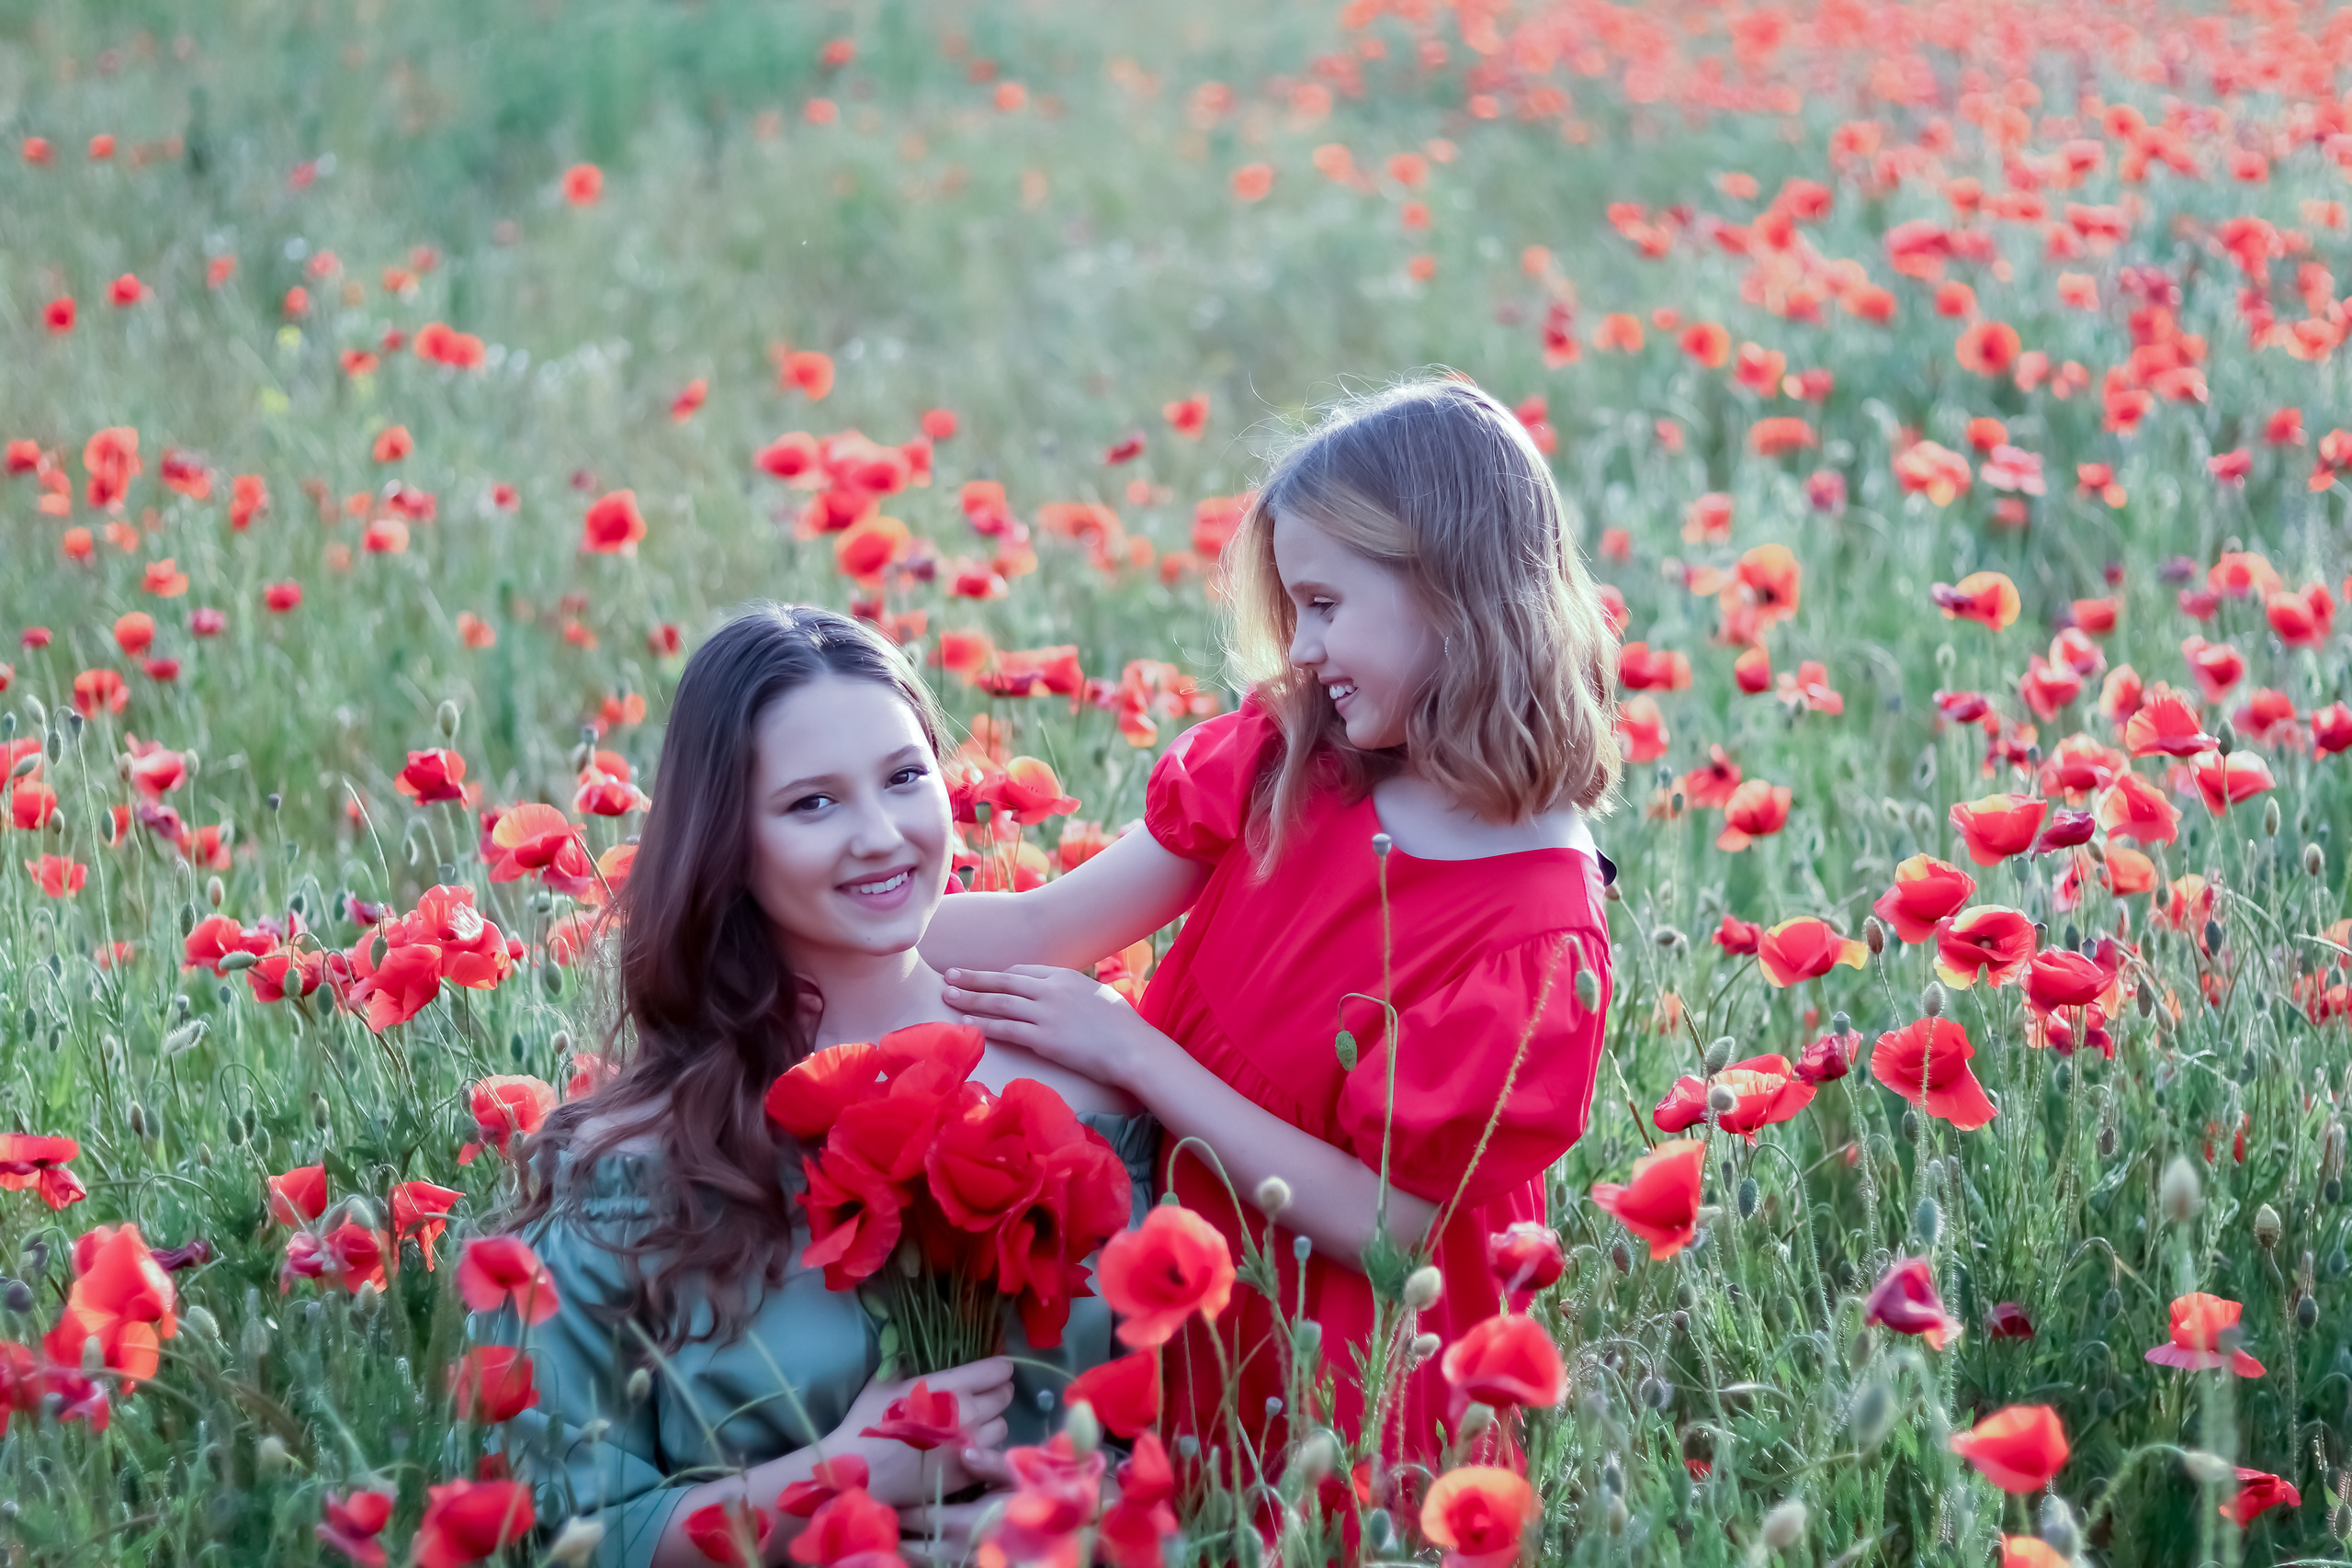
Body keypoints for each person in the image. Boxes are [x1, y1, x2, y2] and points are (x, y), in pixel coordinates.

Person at [923, 377, 1621, 1470]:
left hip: (1348, 1389)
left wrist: (1130, 1051)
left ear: (1453, 589)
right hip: (1183, 1300)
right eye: (1296, 612)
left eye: (1327, 607)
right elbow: (1042, 927)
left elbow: (1390, 1229)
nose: (1299, 650)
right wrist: (775, 918)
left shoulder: (1535, 931)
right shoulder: (1287, 759)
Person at [479, 605, 1156, 1567]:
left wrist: (1090, 1518)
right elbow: (564, 1532)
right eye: (812, 804)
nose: (880, 836)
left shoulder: (1089, 1083)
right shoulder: (624, 1167)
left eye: (905, 777)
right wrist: (834, 1479)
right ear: (727, 842)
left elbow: (1225, 1426)